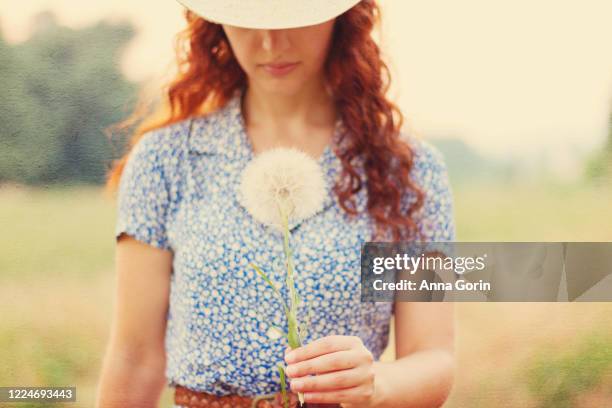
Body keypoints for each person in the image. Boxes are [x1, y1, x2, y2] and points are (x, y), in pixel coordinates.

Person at [96, 0, 456, 407]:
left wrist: (377, 382)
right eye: (247, 19)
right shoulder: (166, 160)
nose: (270, 42)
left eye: (293, 17)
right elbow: (134, 357)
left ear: (340, 17)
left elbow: (434, 355)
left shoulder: (408, 170)